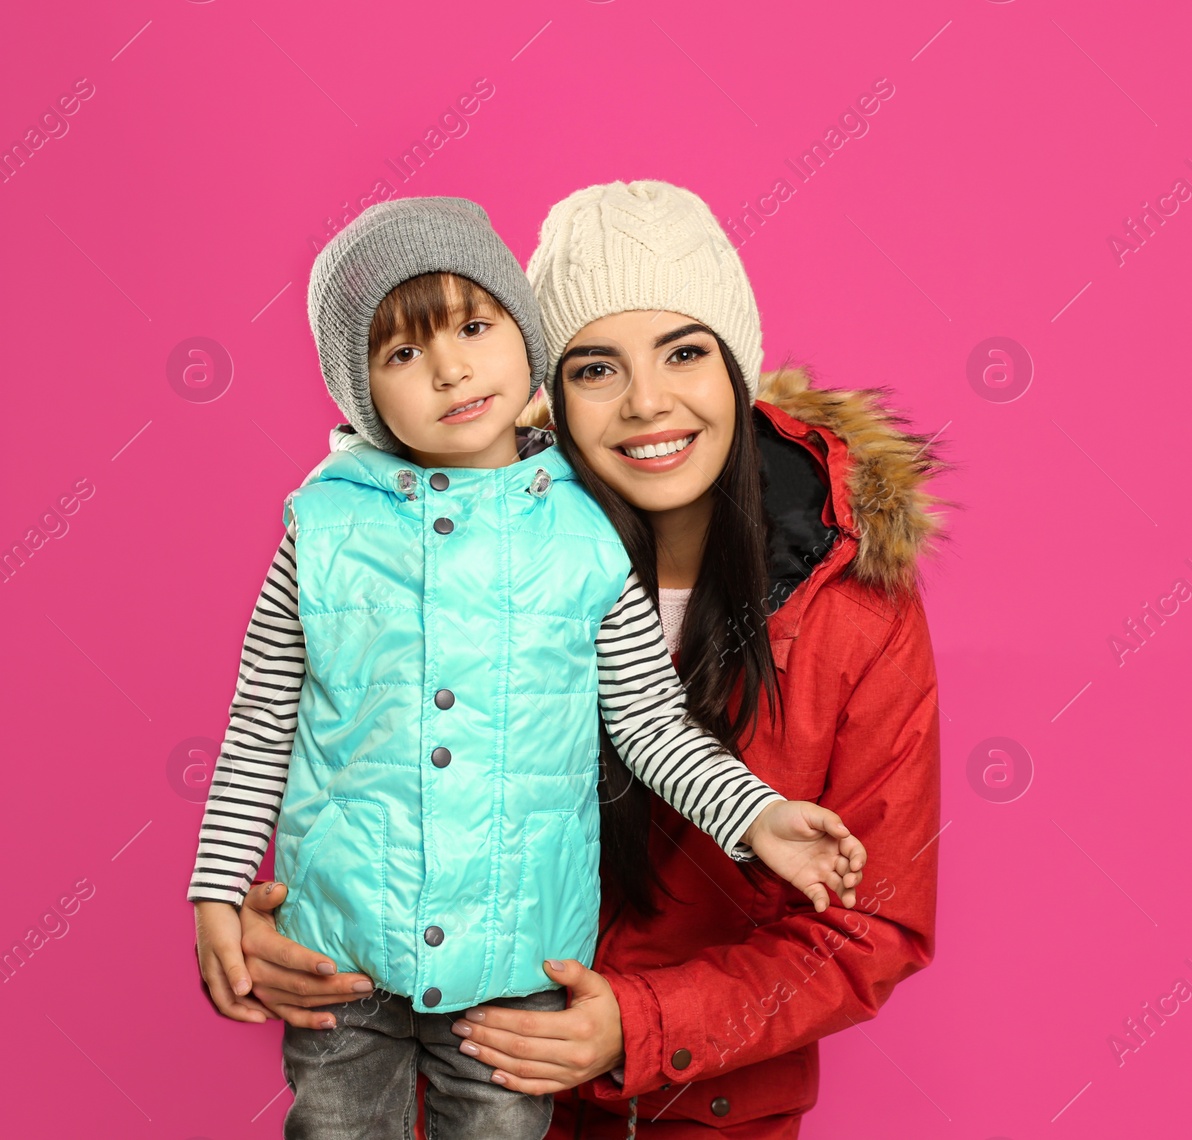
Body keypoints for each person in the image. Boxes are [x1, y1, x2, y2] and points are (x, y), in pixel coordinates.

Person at [232, 180, 945, 1137]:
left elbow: (874, 925)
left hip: (703, 1115)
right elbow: (309, 736)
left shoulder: (851, 606)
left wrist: (643, 1026)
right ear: (545, 385)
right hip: (469, 1084)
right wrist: (272, 921)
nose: (649, 403)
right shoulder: (428, 554)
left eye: (686, 353)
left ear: (737, 366)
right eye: (596, 368)